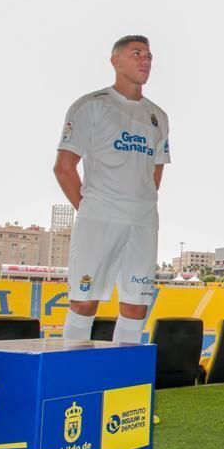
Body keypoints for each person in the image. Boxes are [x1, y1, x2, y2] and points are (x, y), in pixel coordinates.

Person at [54, 35, 170, 343]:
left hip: (143, 221)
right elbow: (64, 168)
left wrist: (137, 203)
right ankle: (73, 375)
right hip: (99, 218)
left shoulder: (158, 116)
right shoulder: (90, 107)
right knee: (84, 301)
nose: (145, 60)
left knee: (136, 307)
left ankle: (124, 383)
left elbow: (155, 173)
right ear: (115, 61)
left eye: (148, 55)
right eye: (137, 54)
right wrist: (93, 208)